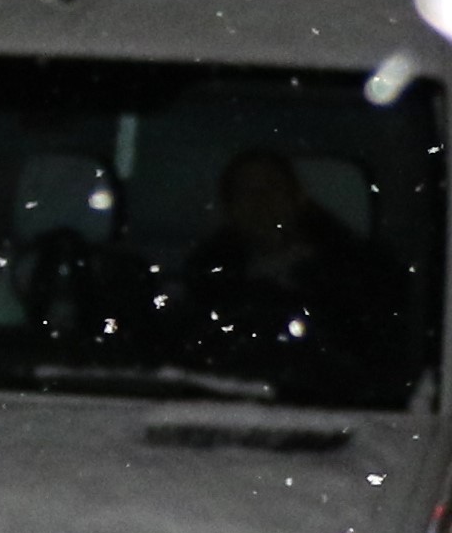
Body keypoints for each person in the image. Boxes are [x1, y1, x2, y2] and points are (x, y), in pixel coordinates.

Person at [168, 146, 401, 381]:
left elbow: (369, 353)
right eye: (246, 191)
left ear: (297, 197)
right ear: (229, 207)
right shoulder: (207, 278)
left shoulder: (356, 272)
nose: (261, 201)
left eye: (272, 187)